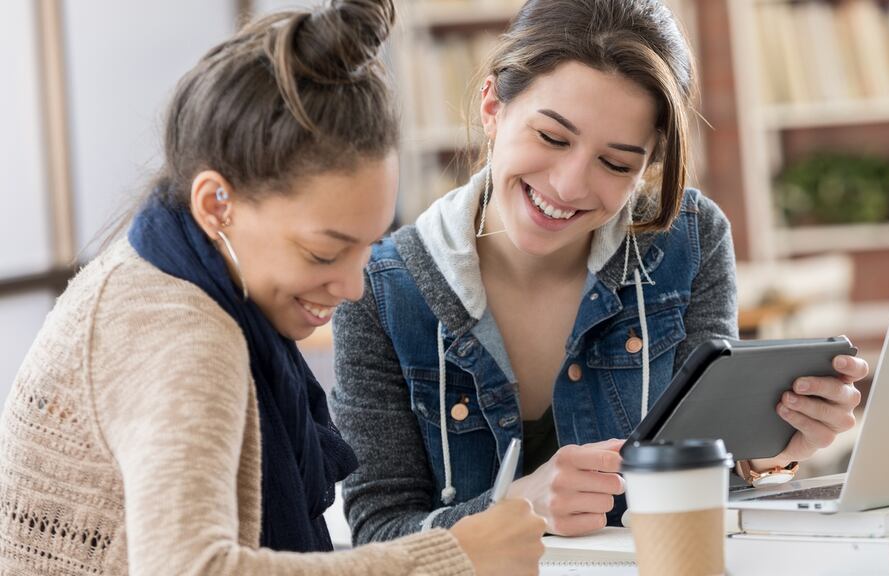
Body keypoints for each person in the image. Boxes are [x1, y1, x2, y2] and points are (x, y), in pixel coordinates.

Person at [0, 1, 546, 574]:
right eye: (324, 252)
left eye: (365, 246)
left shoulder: (168, 264)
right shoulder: (182, 334)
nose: (355, 287)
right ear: (217, 204)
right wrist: (451, 556)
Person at [331, 0, 868, 544]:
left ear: (648, 166)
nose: (568, 186)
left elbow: (705, 488)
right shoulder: (376, 290)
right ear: (492, 106)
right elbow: (379, 535)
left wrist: (763, 455)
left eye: (615, 163)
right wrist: (517, 507)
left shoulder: (690, 240)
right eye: (552, 137)